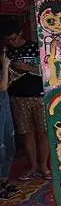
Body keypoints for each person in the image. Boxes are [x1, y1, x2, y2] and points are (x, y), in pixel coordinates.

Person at [1, 19, 51, 181]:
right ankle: (33, 166)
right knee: (26, 133)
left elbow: (48, 71)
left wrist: (27, 68)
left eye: (14, 38)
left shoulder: (35, 48)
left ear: (20, 34)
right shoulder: (6, 53)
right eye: (8, 40)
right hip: (17, 97)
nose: (11, 42)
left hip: (39, 95)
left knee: (43, 132)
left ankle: (44, 166)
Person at [0, 46, 16, 197]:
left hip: (4, 104)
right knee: (1, 147)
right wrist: (5, 67)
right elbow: (2, 87)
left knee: (9, 143)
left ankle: (4, 179)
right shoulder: (3, 66)